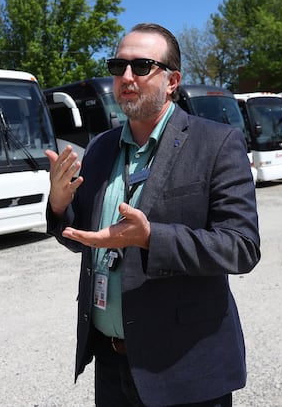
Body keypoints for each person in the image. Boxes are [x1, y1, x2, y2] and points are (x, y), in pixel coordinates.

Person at [45, 23, 260, 407]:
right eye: (118, 66)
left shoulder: (217, 143)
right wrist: (60, 205)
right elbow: (82, 239)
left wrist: (150, 238)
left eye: (141, 66)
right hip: (112, 365)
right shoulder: (100, 148)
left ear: (172, 80)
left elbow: (241, 248)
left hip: (185, 367)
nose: (126, 78)